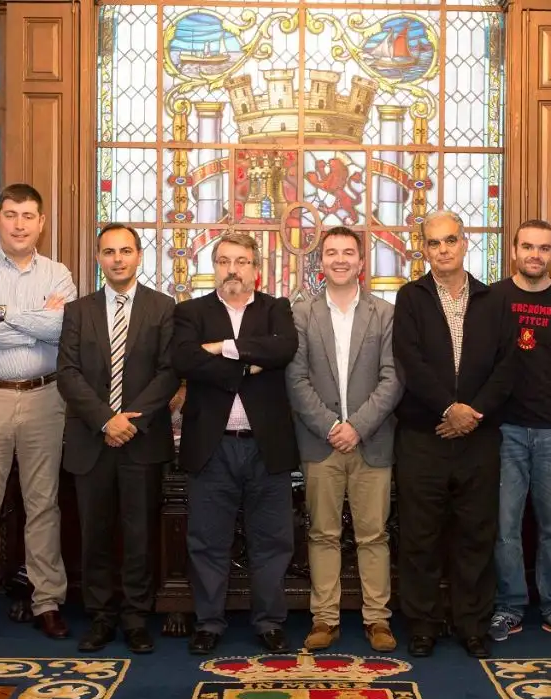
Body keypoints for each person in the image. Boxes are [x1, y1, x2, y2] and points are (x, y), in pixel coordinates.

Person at [392, 210, 517, 659]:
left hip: (479, 437)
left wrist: (473, 412)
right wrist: (448, 408)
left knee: (476, 534)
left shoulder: (494, 299)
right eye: (433, 243)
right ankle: (423, 624)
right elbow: (409, 361)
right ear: (422, 249)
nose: (443, 250)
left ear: (465, 244)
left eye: (450, 241)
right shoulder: (410, 298)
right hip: (424, 436)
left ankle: (472, 625)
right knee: (420, 536)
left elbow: (508, 366)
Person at [0, 184, 77, 643]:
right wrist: (32, 320)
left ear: (41, 222)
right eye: (11, 215)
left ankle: (47, 600)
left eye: (28, 215)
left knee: (43, 503)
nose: (20, 224)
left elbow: (64, 328)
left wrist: (1, 315)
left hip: (46, 397)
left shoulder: (57, 272)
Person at [172, 232, 299, 655]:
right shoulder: (190, 312)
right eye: (224, 261)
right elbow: (186, 360)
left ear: (255, 268)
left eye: (241, 261)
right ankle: (209, 622)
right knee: (207, 541)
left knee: (273, 540)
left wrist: (223, 349)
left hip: (268, 447)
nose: (232, 270)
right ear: (214, 267)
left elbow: (283, 349)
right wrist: (248, 366)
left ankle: (269, 622)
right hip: (213, 447)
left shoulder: (276, 309)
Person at [57, 223, 179, 654]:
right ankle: (101, 617)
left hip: (142, 441)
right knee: (95, 533)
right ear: (98, 258)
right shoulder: (78, 311)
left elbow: (169, 372)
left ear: (139, 256)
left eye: (125, 251)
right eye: (109, 252)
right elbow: (67, 374)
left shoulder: (164, 308)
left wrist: (130, 421)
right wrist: (106, 420)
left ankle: (135, 617)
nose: (117, 259)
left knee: (140, 533)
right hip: (92, 440)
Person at [286, 226, 403, 653]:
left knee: (374, 535)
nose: (339, 259)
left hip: (371, 442)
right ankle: (325, 618)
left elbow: (393, 378)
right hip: (321, 442)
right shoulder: (301, 314)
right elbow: (296, 379)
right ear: (321, 262)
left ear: (361, 262)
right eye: (331, 252)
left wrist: (358, 426)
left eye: (348, 252)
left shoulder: (385, 314)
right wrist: (331, 426)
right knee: (322, 533)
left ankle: (377, 619)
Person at [488, 219, 551, 644]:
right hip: (504, 427)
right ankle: (509, 606)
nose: (535, 254)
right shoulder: (492, 298)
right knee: (505, 525)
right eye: (527, 246)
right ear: (514, 250)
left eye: (544, 248)